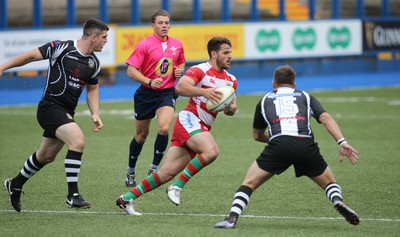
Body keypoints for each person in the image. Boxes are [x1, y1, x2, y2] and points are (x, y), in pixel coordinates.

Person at [214, 65, 360, 228]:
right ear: (294, 84)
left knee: (249, 183)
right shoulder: (305, 96)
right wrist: (342, 142)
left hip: (278, 144)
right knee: (329, 183)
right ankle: (337, 201)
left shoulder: (264, 100)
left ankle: (231, 218)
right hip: (305, 144)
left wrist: (279, 138)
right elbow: (325, 118)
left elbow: (257, 135)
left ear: (273, 83)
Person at [116, 36, 238, 215]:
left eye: (230, 53)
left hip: (203, 126)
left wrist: (227, 107)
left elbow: (233, 107)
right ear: (214, 54)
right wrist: (205, 92)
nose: (230, 56)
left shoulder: (231, 80)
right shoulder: (200, 70)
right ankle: (177, 187)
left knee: (165, 173)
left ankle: (126, 199)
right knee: (211, 151)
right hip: (189, 120)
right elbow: (180, 88)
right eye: (226, 53)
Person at [1, 18, 109, 212]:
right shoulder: (61, 48)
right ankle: (72, 195)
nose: (106, 41)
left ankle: (15, 184)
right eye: (104, 37)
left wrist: (95, 113)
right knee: (78, 141)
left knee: (46, 156)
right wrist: (3, 67)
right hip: (49, 108)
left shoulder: (93, 62)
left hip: (67, 112)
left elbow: (92, 89)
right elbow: (29, 57)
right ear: (93, 37)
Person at [124, 9, 186, 187]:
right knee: (141, 135)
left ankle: (153, 169)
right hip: (146, 94)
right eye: (160, 23)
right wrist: (149, 81)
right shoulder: (144, 45)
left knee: (164, 129)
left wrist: (179, 70)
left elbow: (181, 60)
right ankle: (130, 170)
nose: (164, 26)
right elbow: (130, 70)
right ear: (153, 25)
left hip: (167, 92)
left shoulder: (177, 44)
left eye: (166, 23)